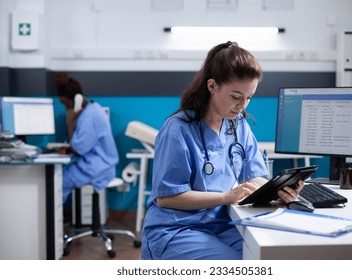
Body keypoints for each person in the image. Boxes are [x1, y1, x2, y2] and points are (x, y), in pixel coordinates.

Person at [141, 41, 304, 260]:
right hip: (177, 228)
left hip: (222, 223)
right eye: (236, 97)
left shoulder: (239, 126)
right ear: (212, 86)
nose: (242, 106)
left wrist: (279, 191)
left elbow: (254, 177)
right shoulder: (178, 129)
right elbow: (168, 199)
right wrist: (226, 196)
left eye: (249, 98)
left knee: (271, 256)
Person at [53, 72, 119, 203]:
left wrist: (70, 122)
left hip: (99, 167)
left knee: (57, 183)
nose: (66, 108)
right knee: (58, 177)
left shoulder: (90, 116)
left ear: (76, 100)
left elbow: (78, 149)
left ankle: (51, 222)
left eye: (66, 104)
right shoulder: (91, 110)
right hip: (96, 164)